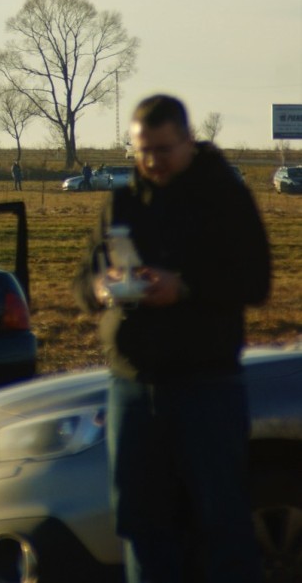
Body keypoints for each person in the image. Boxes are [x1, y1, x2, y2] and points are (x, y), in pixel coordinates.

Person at [73, 94, 271, 583]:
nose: (152, 161)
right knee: (141, 524)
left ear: (187, 140)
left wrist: (183, 286)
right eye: (142, 151)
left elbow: (256, 280)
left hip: (206, 384)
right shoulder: (122, 201)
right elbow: (83, 279)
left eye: (163, 149)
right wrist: (101, 288)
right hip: (133, 387)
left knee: (221, 523)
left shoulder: (224, 197)